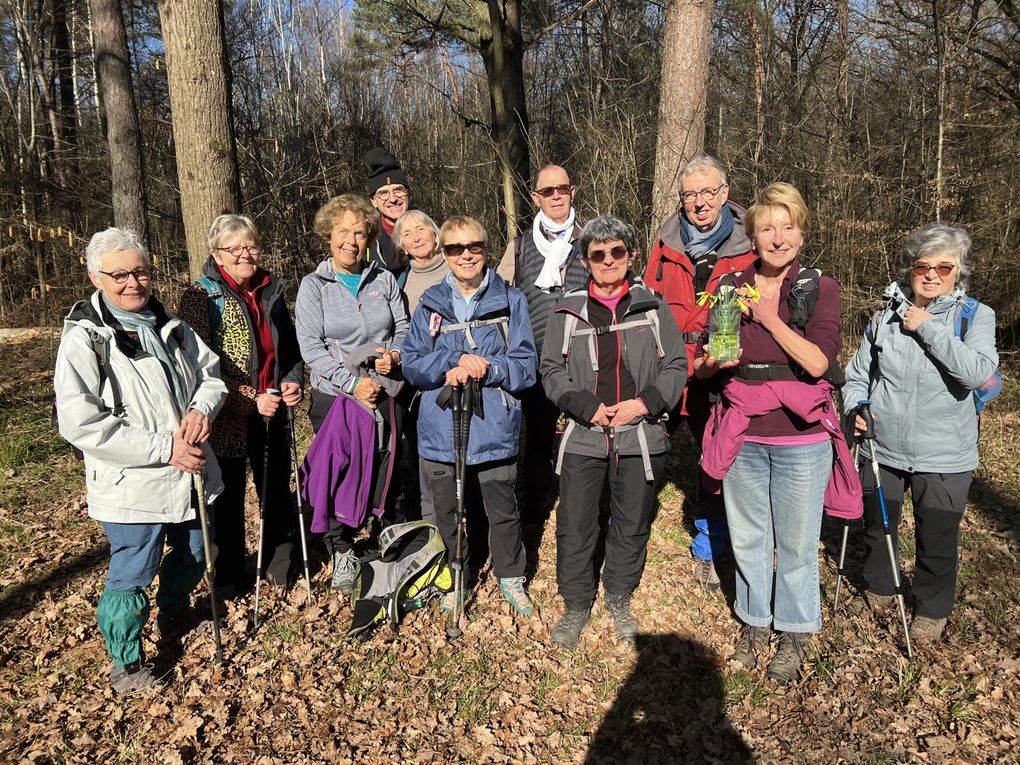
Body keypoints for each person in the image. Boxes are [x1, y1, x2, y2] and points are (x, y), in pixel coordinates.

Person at [53, 227, 227, 694]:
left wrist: (201, 408)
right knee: (133, 570)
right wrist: (163, 447)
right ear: (95, 276)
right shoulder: (86, 340)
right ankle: (127, 663)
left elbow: (211, 377)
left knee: (197, 552)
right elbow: (81, 422)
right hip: (133, 481)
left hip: (190, 470)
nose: (133, 283)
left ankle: (174, 608)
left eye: (141, 272)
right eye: (120, 275)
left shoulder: (171, 327)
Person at [694, 183, 843, 682]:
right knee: (750, 536)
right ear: (752, 238)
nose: (778, 238)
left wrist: (769, 319)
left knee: (799, 543)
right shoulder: (729, 285)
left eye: (788, 226)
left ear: (801, 231)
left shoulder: (820, 288)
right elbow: (708, 363)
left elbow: (818, 362)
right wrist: (714, 361)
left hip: (802, 438)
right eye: (767, 229)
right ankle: (755, 623)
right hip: (744, 432)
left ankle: (796, 632)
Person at [843, 223, 998, 642]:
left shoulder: (975, 316)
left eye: (943, 267)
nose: (931, 274)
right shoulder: (882, 319)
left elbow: (978, 372)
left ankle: (931, 609)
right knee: (879, 527)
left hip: (946, 455)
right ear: (909, 269)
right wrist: (856, 406)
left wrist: (927, 326)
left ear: (958, 271)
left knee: (938, 536)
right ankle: (878, 587)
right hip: (885, 449)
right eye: (922, 266)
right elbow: (857, 376)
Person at [540, 215, 687, 648]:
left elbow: (677, 366)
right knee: (576, 522)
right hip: (585, 434)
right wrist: (587, 407)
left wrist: (643, 405)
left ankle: (619, 595)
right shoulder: (566, 311)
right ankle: (576, 603)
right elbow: (550, 370)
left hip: (640, 434)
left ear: (631, 255)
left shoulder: (653, 308)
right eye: (598, 254)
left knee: (631, 520)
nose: (608, 260)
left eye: (617, 252)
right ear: (585, 261)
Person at [402, 215, 537, 617]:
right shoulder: (430, 304)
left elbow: (527, 365)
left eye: (473, 246)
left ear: (485, 248)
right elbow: (412, 363)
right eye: (455, 249)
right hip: (442, 429)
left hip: (494, 425)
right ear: (444, 253)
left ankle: (511, 577)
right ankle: (454, 575)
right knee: (447, 511)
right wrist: (453, 360)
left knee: (503, 507)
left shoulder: (511, 300)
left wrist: (489, 368)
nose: (465, 256)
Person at [643, 154, 757, 592]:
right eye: (690, 195)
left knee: (715, 459)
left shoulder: (749, 245)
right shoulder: (665, 243)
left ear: (725, 194)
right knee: (642, 445)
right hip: (668, 365)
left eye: (708, 192)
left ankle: (711, 544)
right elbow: (649, 304)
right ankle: (625, 524)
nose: (699, 202)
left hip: (721, 371)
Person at [177, 214, 304, 598]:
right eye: (236, 249)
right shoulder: (200, 297)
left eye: (251, 246)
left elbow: (291, 351)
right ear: (217, 254)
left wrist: (293, 380)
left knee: (277, 491)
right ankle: (228, 576)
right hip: (226, 416)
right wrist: (249, 397)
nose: (246, 254)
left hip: (274, 409)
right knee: (227, 498)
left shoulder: (271, 290)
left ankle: (279, 566)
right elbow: (195, 368)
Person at [295, 193, 409, 595]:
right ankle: (341, 547)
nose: (351, 241)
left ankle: (382, 536)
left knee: (383, 468)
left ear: (370, 239)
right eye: (342, 231)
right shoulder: (314, 286)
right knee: (339, 472)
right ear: (328, 237)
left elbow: (404, 329)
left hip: (384, 389)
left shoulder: (383, 281)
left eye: (359, 233)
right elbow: (310, 347)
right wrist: (350, 382)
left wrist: (393, 355)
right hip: (336, 397)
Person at [496, 164, 588, 519]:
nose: (555, 197)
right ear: (535, 197)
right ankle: (536, 500)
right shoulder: (518, 247)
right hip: (536, 357)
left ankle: (581, 500)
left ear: (572, 191)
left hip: (584, 355)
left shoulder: (590, 237)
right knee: (538, 435)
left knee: (586, 432)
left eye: (561, 189)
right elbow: (498, 298)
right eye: (547, 191)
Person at [392, 209, 450, 523]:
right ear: (402, 246)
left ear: (434, 232)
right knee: (421, 451)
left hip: (453, 375)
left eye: (421, 229)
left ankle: (463, 509)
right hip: (415, 382)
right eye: (408, 234)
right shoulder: (399, 280)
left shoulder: (456, 268)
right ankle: (431, 515)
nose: (416, 237)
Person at [366, 147, 412, 285]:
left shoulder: (431, 234)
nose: (392, 199)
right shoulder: (366, 240)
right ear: (373, 201)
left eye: (398, 190)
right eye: (383, 193)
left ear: (409, 192)